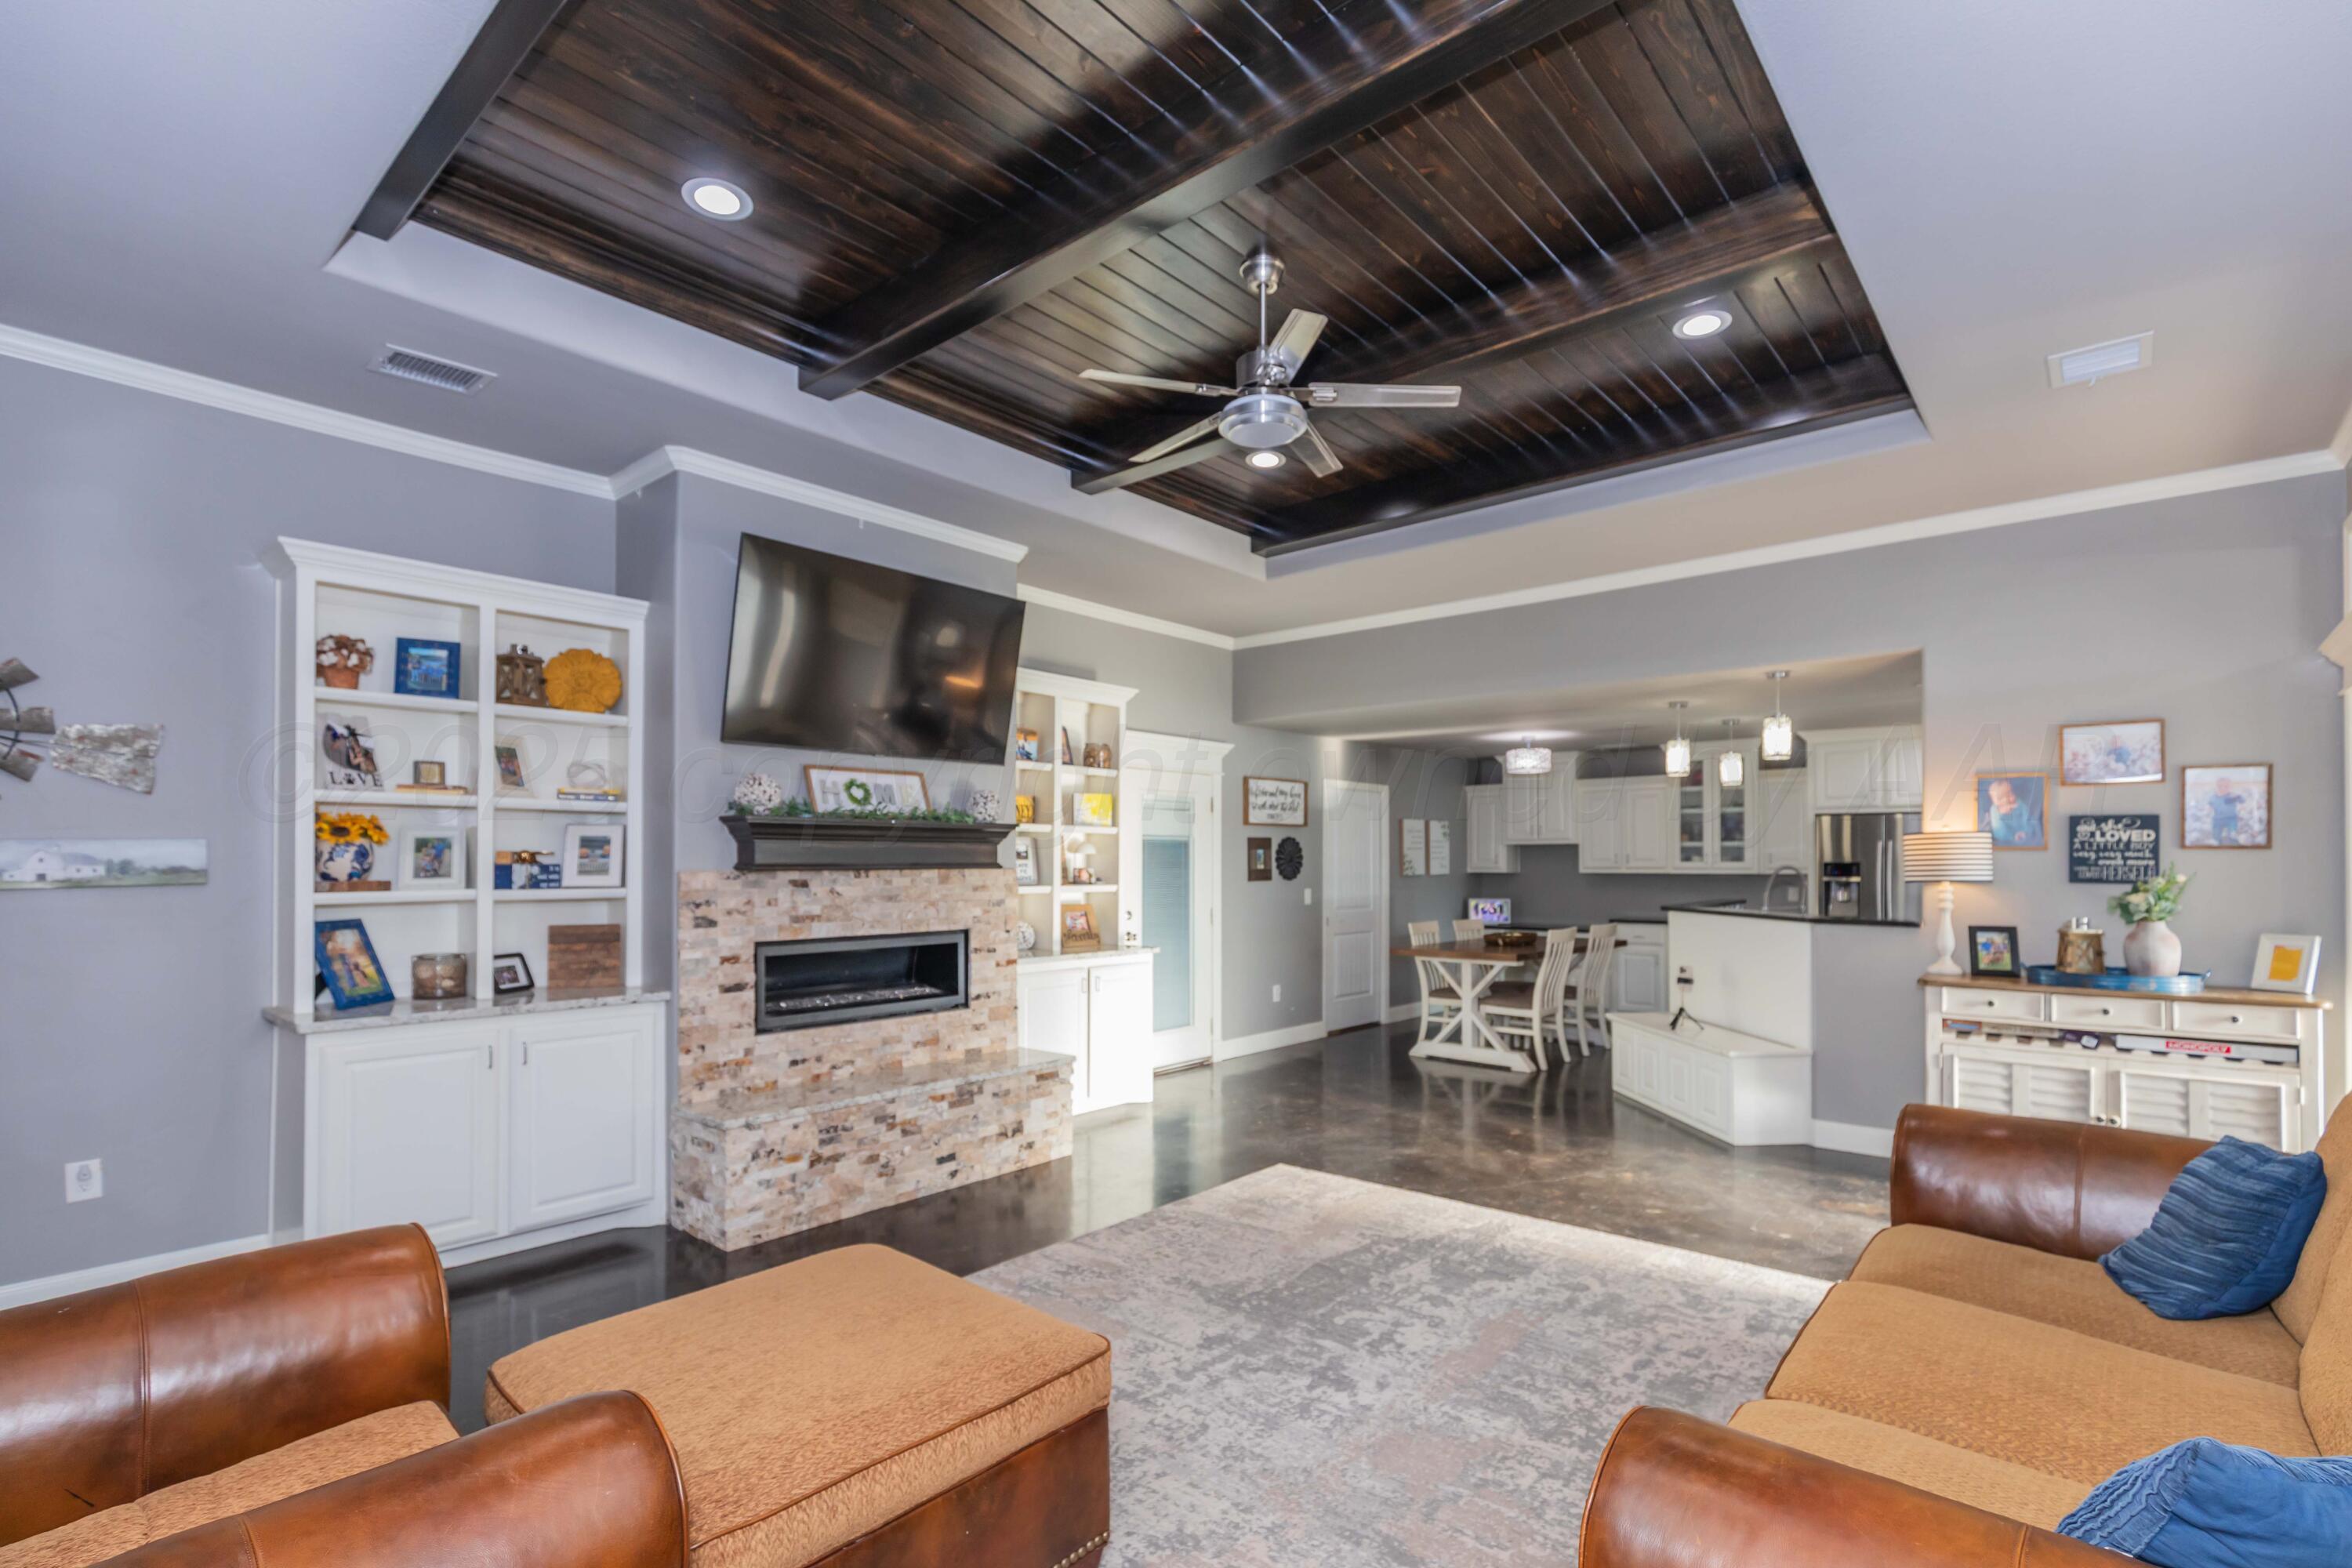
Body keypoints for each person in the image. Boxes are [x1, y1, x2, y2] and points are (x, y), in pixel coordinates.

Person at [1982, 776, 2039, 847]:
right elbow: (1998, 829)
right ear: (1998, 801)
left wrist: (2026, 831)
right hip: (2006, 835)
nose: (2012, 796)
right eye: (2008, 795)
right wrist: (2001, 814)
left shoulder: (2019, 804)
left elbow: (2028, 817)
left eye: (2011, 793)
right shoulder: (1994, 810)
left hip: (2023, 830)